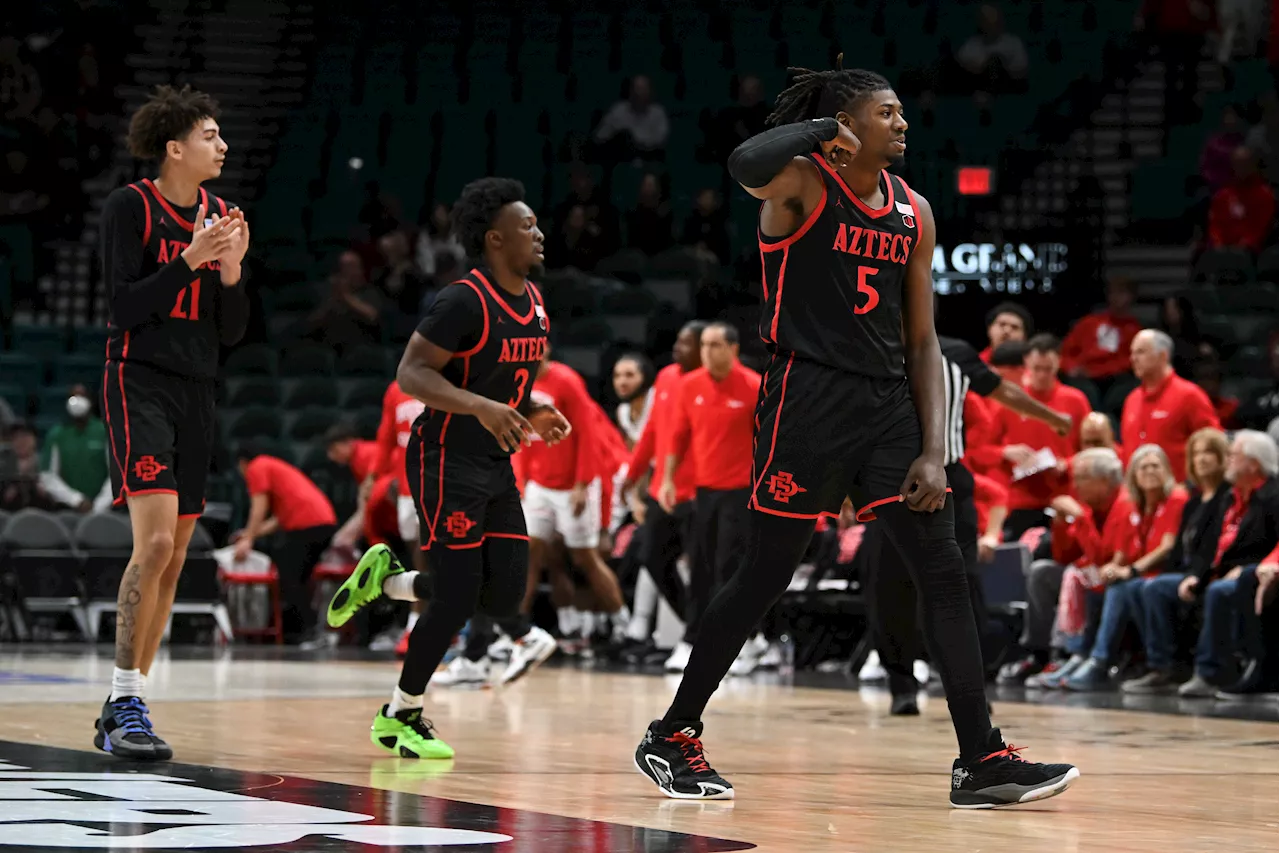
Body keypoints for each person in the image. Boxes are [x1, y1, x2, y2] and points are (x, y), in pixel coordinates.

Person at [634, 62, 1077, 807]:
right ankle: (673, 733)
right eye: (887, 112)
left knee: (942, 571)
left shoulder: (915, 209)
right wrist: (818, 131)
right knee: (763, 575)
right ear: (845, 125)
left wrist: (935, 448)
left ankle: (982, 757)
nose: (903, 123)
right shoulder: (801, 183)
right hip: (806, 397)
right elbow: (744, 163)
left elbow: (924, 341)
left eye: (903, 112)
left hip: (887, 408)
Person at [324, 178, 566, 757]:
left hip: (494, 461)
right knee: (457, 597)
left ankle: (383, 583)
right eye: (527, 226)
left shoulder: (534, 304)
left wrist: (535, 409)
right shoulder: (462, 300)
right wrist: (483, 407)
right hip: (444, 460)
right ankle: (401, 715)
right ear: (495, 240)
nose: (538, 234)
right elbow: (412, 375)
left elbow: (505, 385)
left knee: (504, 596)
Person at [95, 85, 249, 760]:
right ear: (175, 148)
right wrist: (188, 261)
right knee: (154, 546)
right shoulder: (131, 206)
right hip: (139, 382)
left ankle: (125, 703)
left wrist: (233, 269)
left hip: (199, 389)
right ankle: (125, 697)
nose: (223, 146)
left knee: (179, 555)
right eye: (212, 134)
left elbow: (233, 332)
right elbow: (122, 308)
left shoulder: (222, 214)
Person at [867, 331, 1073, 712]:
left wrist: (1052, 418)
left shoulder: (958, 351)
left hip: (948, 480)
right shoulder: (875, 346)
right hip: (889, 484)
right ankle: (902, 684)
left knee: (962, 585)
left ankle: (967, 688)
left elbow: (1003, 391)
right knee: (890, 587)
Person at [659, 322, 761, 673]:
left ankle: (739, 643)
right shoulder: (690, 386)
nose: (707, 352)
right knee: (700, 568)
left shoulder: (753, 386)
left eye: (715, 345)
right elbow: (677, 435)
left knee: (729, 569)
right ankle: (691, 639)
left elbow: (765, 444)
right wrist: (668, 479)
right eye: (704, 345)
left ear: (733, 349)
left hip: (741, 492)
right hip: (704, 491)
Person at [1063, 445, 1189, 691]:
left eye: (1156, 465)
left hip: (1168, 572)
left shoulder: (1175, 498)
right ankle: (1079, 655)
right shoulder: (1142, 504)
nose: (1150, 471)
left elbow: (1166, 547)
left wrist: (1128, 570)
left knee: (1126, 587)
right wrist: (1115, 566)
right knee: (1098, 582)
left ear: (1167, 470)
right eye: (1144, 467)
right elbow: (1125, 547)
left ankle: (1102, 662)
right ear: (1134, 474)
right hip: (1147, 574)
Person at [1168, 430, 1280, 698]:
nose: (1228, 460)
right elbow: (1210, 547)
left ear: (1253, 463)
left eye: (1234, 455)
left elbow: (1271, 543)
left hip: (1255, 569)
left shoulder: (1273, 496)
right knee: (1154, 588)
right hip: (1221, 571)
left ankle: (1212, 671)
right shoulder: (1231, 497)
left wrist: (1259, 565)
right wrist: (1196, 574)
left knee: (1229, 587)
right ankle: (1163, 668)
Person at [1122, 428, 1231, 694]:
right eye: (1196, 453)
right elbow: (1177, 552)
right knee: (1135, 587)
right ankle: (1160, 663)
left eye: (1208, 452)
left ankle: (1164, 667)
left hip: (1207, 573)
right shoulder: (1194, 503)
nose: (1202, 459)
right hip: (1186, 572)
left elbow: (1213, 548)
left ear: (1221, 457)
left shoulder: (1226, 497)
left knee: (1153, 588)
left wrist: (1194, 575)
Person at [622, 323, 704, 668]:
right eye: (677, 340)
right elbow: (653, 429)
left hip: (700, 490)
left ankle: (694, 639)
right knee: (652, 556)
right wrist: (631, 475)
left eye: (686, 343)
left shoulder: (707, 383)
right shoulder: (668, 377)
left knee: (704, 569)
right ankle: (696, 629)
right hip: (663, 489)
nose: (676, 348)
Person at [1020, 448, 1133, 689]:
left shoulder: (1124, 504)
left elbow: (1104, 558)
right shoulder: (1091, 506)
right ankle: (1045, 654)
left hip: (1119, 576)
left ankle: (1087, 658)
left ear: (1104, 480)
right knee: (1043, 571)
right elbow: (1064, 555)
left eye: (1082, 478)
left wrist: (1080, 519)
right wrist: (1060, 523)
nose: (1075, 485)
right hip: (1095, 574)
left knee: (1084, 578)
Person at [988, 335, 1093, 540]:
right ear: (1026, 363)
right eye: (1037, 368)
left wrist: (1067, 464)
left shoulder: (1075, 400)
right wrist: (1006, 452)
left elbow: (1091, 449)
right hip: (1021, 501)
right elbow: (982, 449)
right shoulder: (1010, 401)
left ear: (1059, 364)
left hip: (1064, 496)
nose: (1042, 375)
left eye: (1048, 369)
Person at [234, 444, 339, 646]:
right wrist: (248, 534)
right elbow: (277, 520)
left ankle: (312, 632)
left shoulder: (257, 467)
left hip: (308, 525)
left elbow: (259, 506)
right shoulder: (275, 468)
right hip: (322, 523)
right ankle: (302, 632)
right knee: (297, 580)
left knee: (291, 579)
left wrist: (248, 539)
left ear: (242, 463)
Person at [1121, 330, 1220, 478]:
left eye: (1140, 352)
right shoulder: (1132, 399)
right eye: (1132, 353)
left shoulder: (1190, 396)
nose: (1133, 359)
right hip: (1136, 495)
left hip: (1179, 493)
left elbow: (1214, 444)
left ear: (1163, 355)